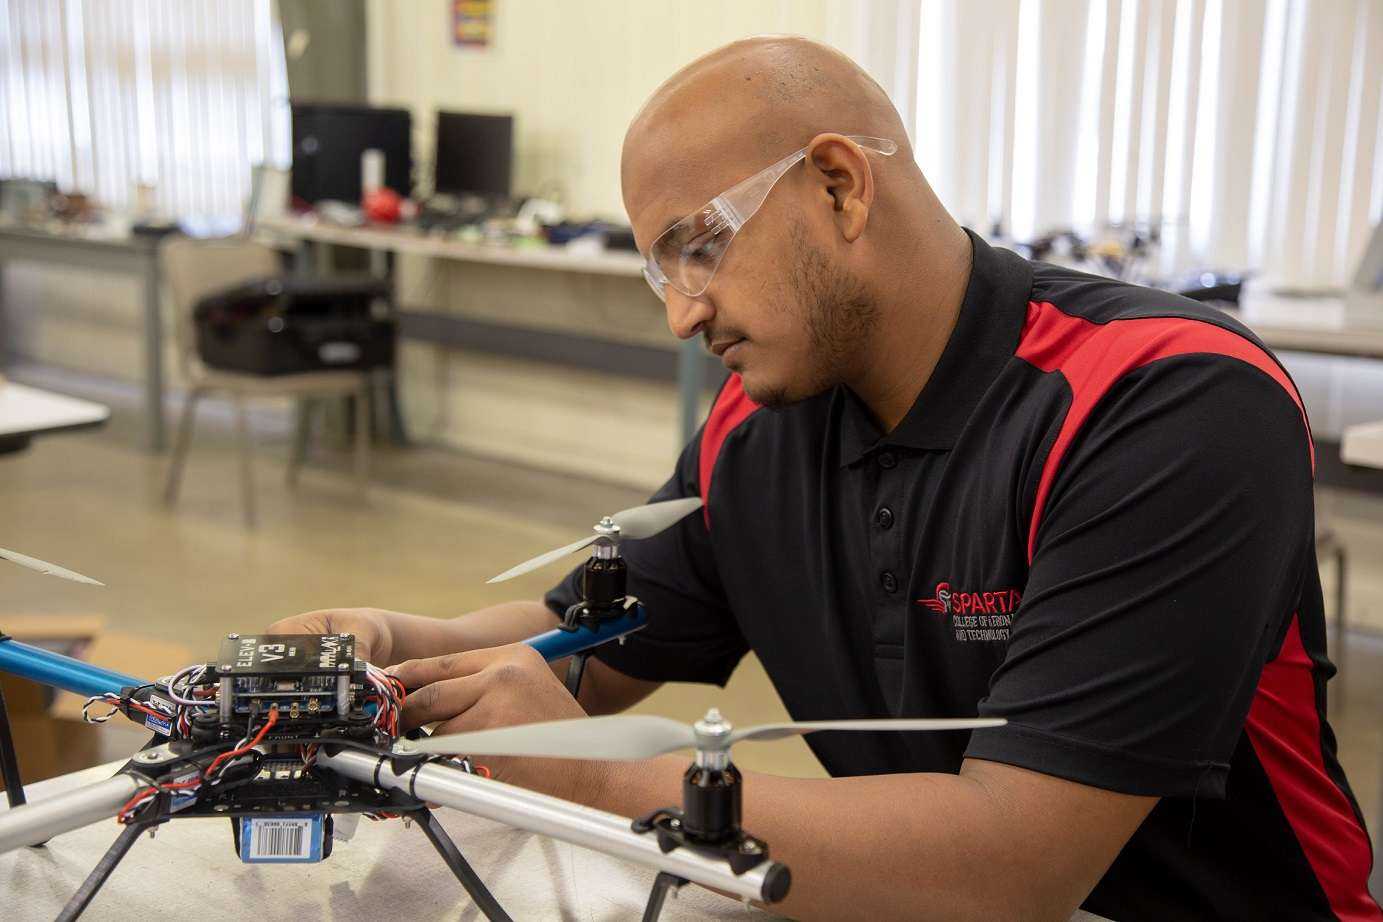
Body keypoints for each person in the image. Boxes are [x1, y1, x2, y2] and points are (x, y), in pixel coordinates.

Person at [270, 36, 1379, 921]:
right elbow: (586, 653)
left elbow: (1015, 869)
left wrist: (594, 778)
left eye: (698, 248)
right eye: (660, 269)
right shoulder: (759, 425)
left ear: (839, 185)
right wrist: (391, 645)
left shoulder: (1167, 401)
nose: (680, 312)